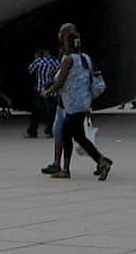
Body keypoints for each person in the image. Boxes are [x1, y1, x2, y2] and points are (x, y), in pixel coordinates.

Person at [42, 24, 112, 180]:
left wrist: (48, 91)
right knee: (69, 134)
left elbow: (60, 81)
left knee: (77, 136)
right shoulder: (86, 58)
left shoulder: (68, 59)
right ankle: (68, 169)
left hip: (72, 104)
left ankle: (101, 161)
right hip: (84, 101)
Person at [26, 48, 59, 138]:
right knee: (52, 111)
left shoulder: (39, 61)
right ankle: (51, 129)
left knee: (36, 111)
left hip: (40, 88)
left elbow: (30, 70)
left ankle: (32, 131)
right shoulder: (56, 62)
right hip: (52, 89)